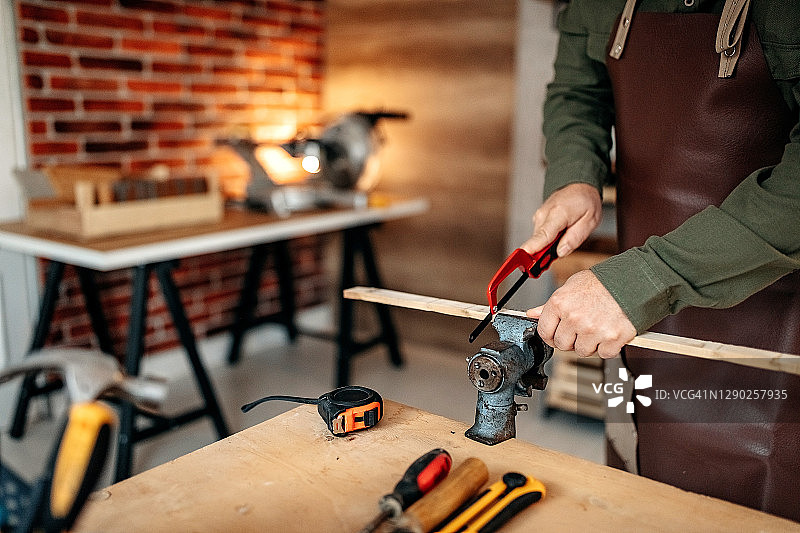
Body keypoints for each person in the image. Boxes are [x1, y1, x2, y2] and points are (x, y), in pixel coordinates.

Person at [522, 0, 800, 522]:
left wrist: (649, 278)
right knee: (640, 490)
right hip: (638, 309)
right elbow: (577, 93)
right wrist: (574, 175)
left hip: (778, 311)